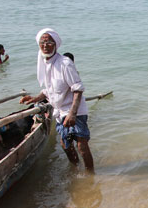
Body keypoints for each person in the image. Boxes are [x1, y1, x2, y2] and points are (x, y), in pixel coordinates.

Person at [19, 28, 94, 172]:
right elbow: (50, 90)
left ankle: (91, 175)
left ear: (56, 44)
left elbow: (77, 89)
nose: (45, 45)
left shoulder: (65, 63)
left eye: (49, 42)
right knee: (65, 144)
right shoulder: (45, 64)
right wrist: (35, 98)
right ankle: (76, 170)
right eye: (42, 42)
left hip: (74, 109)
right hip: (59, 112)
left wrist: (72, 113)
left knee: (81, 144)